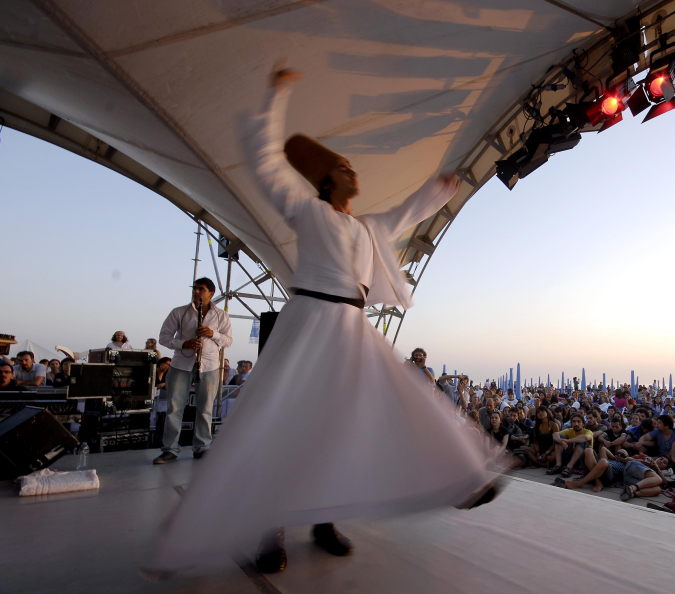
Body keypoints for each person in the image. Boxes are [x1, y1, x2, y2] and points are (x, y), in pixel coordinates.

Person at [145, 66, 495, 577]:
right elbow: (265, 162)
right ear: (328, 180)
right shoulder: (308, 212)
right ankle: (269, 528)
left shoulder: (367, 228)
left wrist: (439, 191)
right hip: (309, 324)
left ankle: (416, 491)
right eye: (347, 168)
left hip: (351, 331)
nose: (357, 173)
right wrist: (276, 95)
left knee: (351, 422)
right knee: (282, 425)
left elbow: (405, 212)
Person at [154, 277, 233, 464]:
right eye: (195, 288)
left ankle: (202, 447)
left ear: (211, 293)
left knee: (205, 408)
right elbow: (164, 337)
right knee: (174, 408)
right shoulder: (179, 312)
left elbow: (228, 340)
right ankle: (170, 450)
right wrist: (184, 343)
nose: (196, 292)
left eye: (201, 289)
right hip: (181, 363)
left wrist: (212, 334)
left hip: (210, 365)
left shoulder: (221, 315)